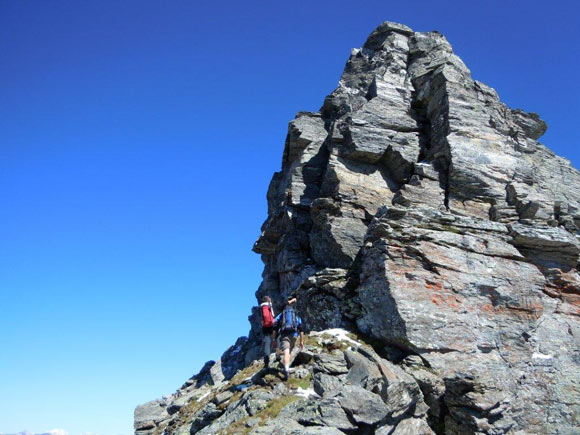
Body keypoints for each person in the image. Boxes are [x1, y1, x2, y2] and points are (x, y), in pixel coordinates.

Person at [273, 294, 304, 381]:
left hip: (284, 335)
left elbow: (275, 327)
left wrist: (274, 339)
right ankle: (287, 367)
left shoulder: (281, 315)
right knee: (289, 351)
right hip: (294, 335)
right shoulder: (295, 315)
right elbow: (301, 329)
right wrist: (301, 342)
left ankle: (286, 368)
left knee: (286, 352)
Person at [259, 296, 276, 367]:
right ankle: (277, 354)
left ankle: (266, 361)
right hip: (270, 325)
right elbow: (267, 316)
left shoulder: (262, 307)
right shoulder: (267, 306)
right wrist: (272, 322)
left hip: (265, 327)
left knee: (267, 342)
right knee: (276, 338)